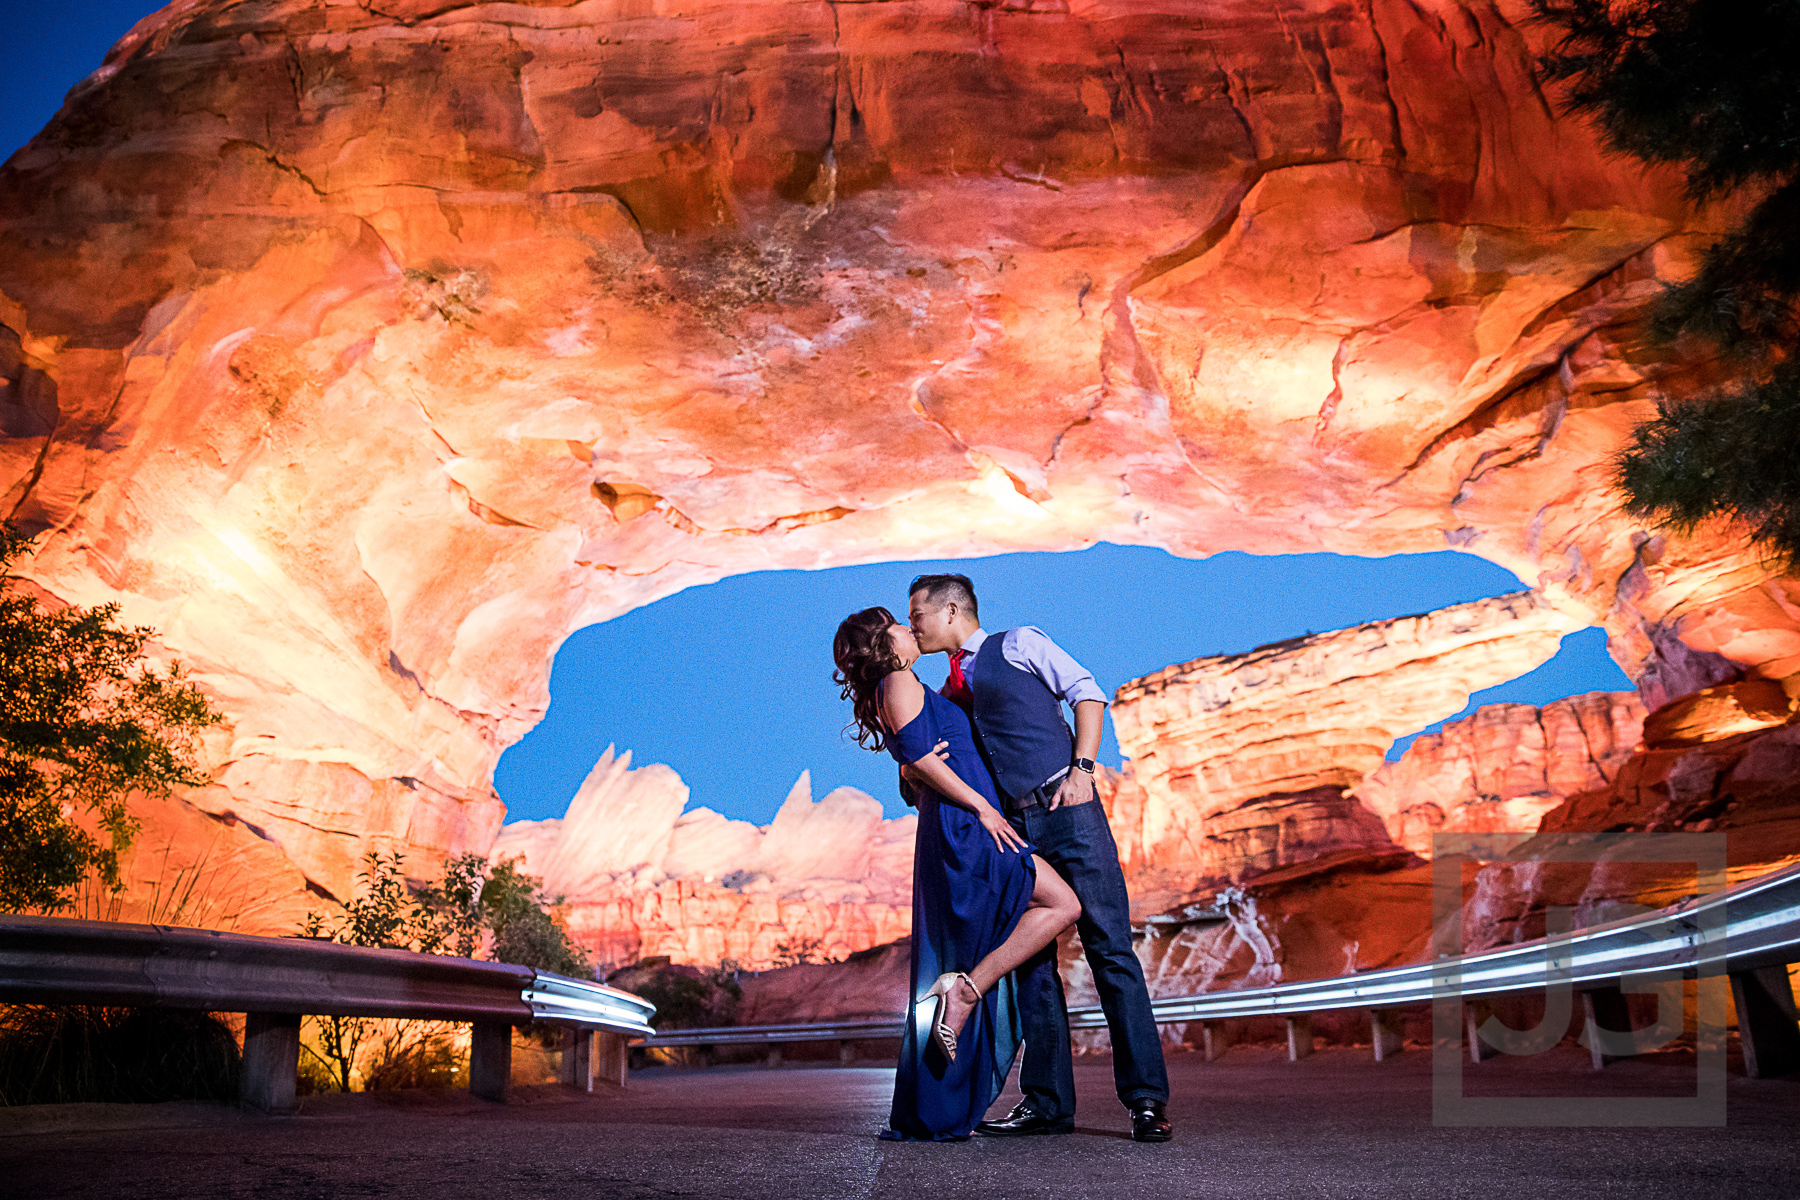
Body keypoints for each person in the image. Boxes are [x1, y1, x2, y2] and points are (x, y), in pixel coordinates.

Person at [907, 573, 1173, 1143]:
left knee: (1111, 950)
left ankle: (1146, 1100)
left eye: (918, 616)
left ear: (952, 610)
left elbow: (1087, 692)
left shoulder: (1020, 643)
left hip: (1066, 808)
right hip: (1012, 831)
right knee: (1031, 965)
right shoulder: (947, 693)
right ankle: (1048, 1102)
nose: (913, 627)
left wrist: (1082, 771)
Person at [833, 606, 1082, 1142]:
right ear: (884, 641)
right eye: (899, 624)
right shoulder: (897, 680)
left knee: (1025, 917)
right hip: (969, 828)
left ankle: (960, 1009)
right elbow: (920, 763)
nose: (909, 627)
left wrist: (914, 770)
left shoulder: (905, 686)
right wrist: (982, 808)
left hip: (960, 823)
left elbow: (912, 768)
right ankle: (968, 992)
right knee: (1062, 904)